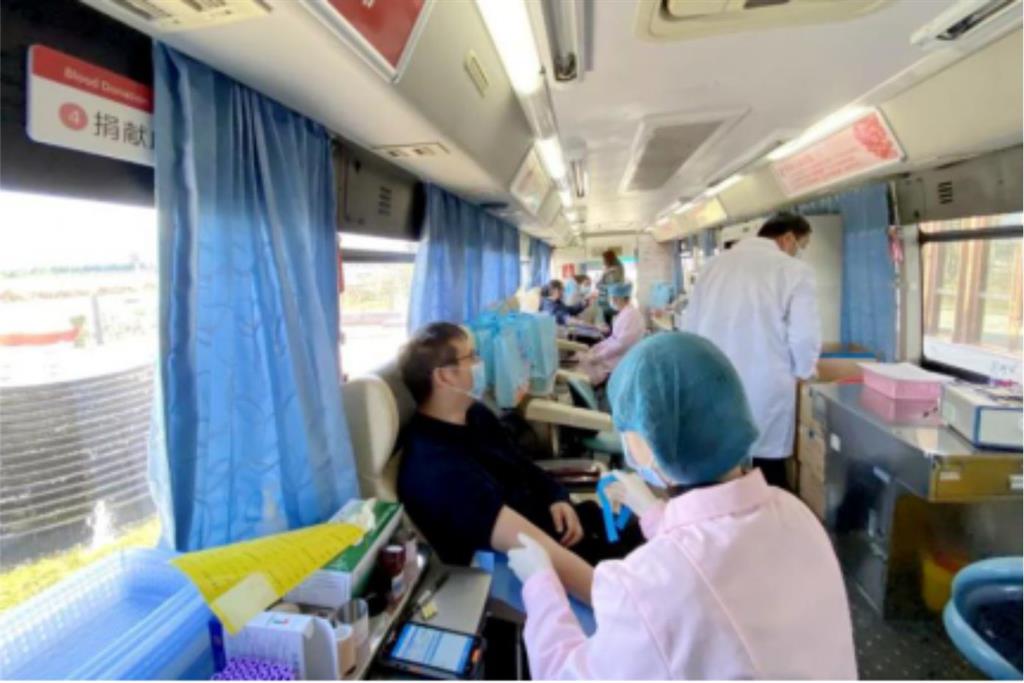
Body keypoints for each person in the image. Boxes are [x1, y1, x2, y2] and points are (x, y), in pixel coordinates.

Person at [507, 332, 857, 679]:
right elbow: (715, 556)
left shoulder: (644, 588)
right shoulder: (797, 514)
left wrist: (539, 584)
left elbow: (564, 675)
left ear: (645, 442)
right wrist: (654, 513)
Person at [396, 323, 642, 604]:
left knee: (638, 534)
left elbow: (522, 465)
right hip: (544, 560)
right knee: (650, 578)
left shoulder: (475, 415)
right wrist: (615, 603)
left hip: (561, 523)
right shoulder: (437, 469)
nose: (480, 363)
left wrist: (556, 496)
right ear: (444, 376)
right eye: (471, 356)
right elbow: (532, 546)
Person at [682, 213, 821, 490]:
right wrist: (805, 372)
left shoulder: (713, 266)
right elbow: (804, 336)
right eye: (801, 245)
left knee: (719, 469)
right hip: (766, 385)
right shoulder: (794, 271)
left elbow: (689, 327)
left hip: (714, 382)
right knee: (766, 470)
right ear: (788, 238)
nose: (798, 252)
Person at [576, 281, 644, 385]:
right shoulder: (624, 313)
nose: (612, 301)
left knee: (586, 366)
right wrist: (597, 347)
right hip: (615, 353)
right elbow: (614, 338)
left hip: (620, 358)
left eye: (613, 299)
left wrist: (599, 356)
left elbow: (621, 345)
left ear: (618, 299)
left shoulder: (631, 316)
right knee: (582, 357)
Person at [596, 250, 625, 320]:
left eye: (604, 259)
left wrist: (600, 284)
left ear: (608, 259)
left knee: (612, 317)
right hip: (609, 297)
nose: (603, 261)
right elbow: (603, 281)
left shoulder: (616, 268)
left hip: (612, 296)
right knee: (608, 316)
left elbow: (612, 282)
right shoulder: (611, 267)